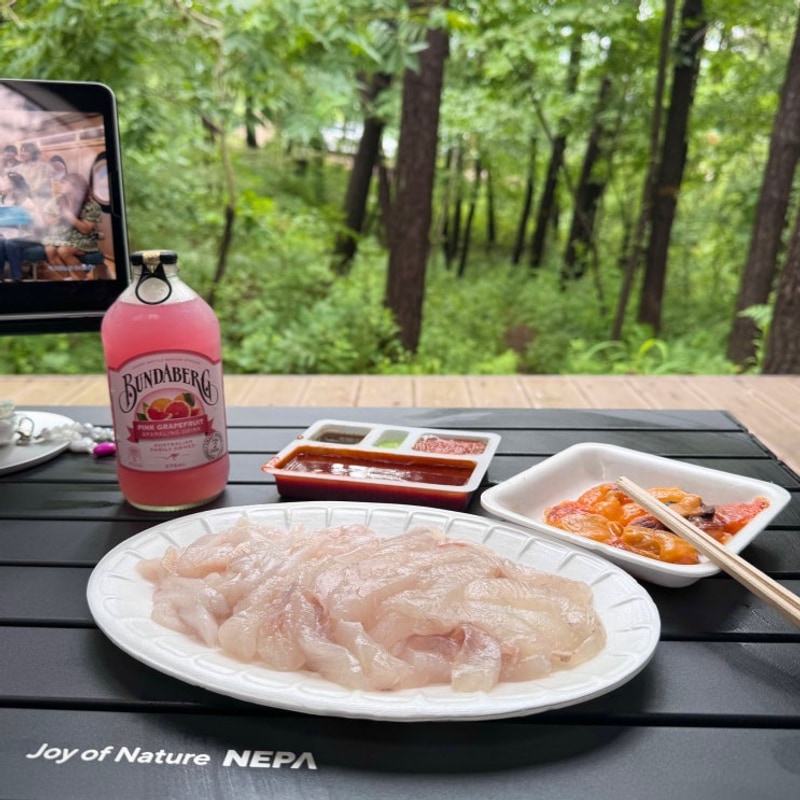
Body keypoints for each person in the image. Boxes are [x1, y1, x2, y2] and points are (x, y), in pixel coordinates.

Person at [42, 173, 102, 281]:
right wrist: (53, 221)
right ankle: (68, 280)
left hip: (82, 238)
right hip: (60, 236)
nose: (60, 185)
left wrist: (69, 216)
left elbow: (85, 230)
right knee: (49, 250)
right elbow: (47, 218)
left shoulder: (91, 205)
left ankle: (83, 281)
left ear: (75, 186)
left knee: (63, 251)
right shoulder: (57, 201)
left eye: (64, 182)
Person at [0, 171, 44, 282]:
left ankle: (17, 278)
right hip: (4, 235)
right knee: (2, 242)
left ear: (12, 184)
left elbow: (40, 224)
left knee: (10, 243)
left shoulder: (25, 201)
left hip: (26, 236)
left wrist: (32, 211)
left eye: (4, 180)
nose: (1, 182)